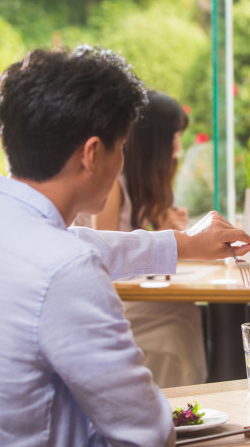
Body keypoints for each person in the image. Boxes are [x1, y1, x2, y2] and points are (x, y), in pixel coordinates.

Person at [0, 46, 250, 447]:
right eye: (120, 148)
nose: (122, 161)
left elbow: (74, 244)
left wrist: (185, 242)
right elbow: (148, 433)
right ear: (91, 155)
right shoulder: (66, 269)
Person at [76, 90, 205, 387]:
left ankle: (186, 398)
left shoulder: (143, 183)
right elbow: (108, 258)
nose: (179, 147)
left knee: (183, 313)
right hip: (108, 302)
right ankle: (179, 402)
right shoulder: (112, 189)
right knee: (177, 321)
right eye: (175, 136)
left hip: (129, 294)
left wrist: (166, 226)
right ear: (154, 142)